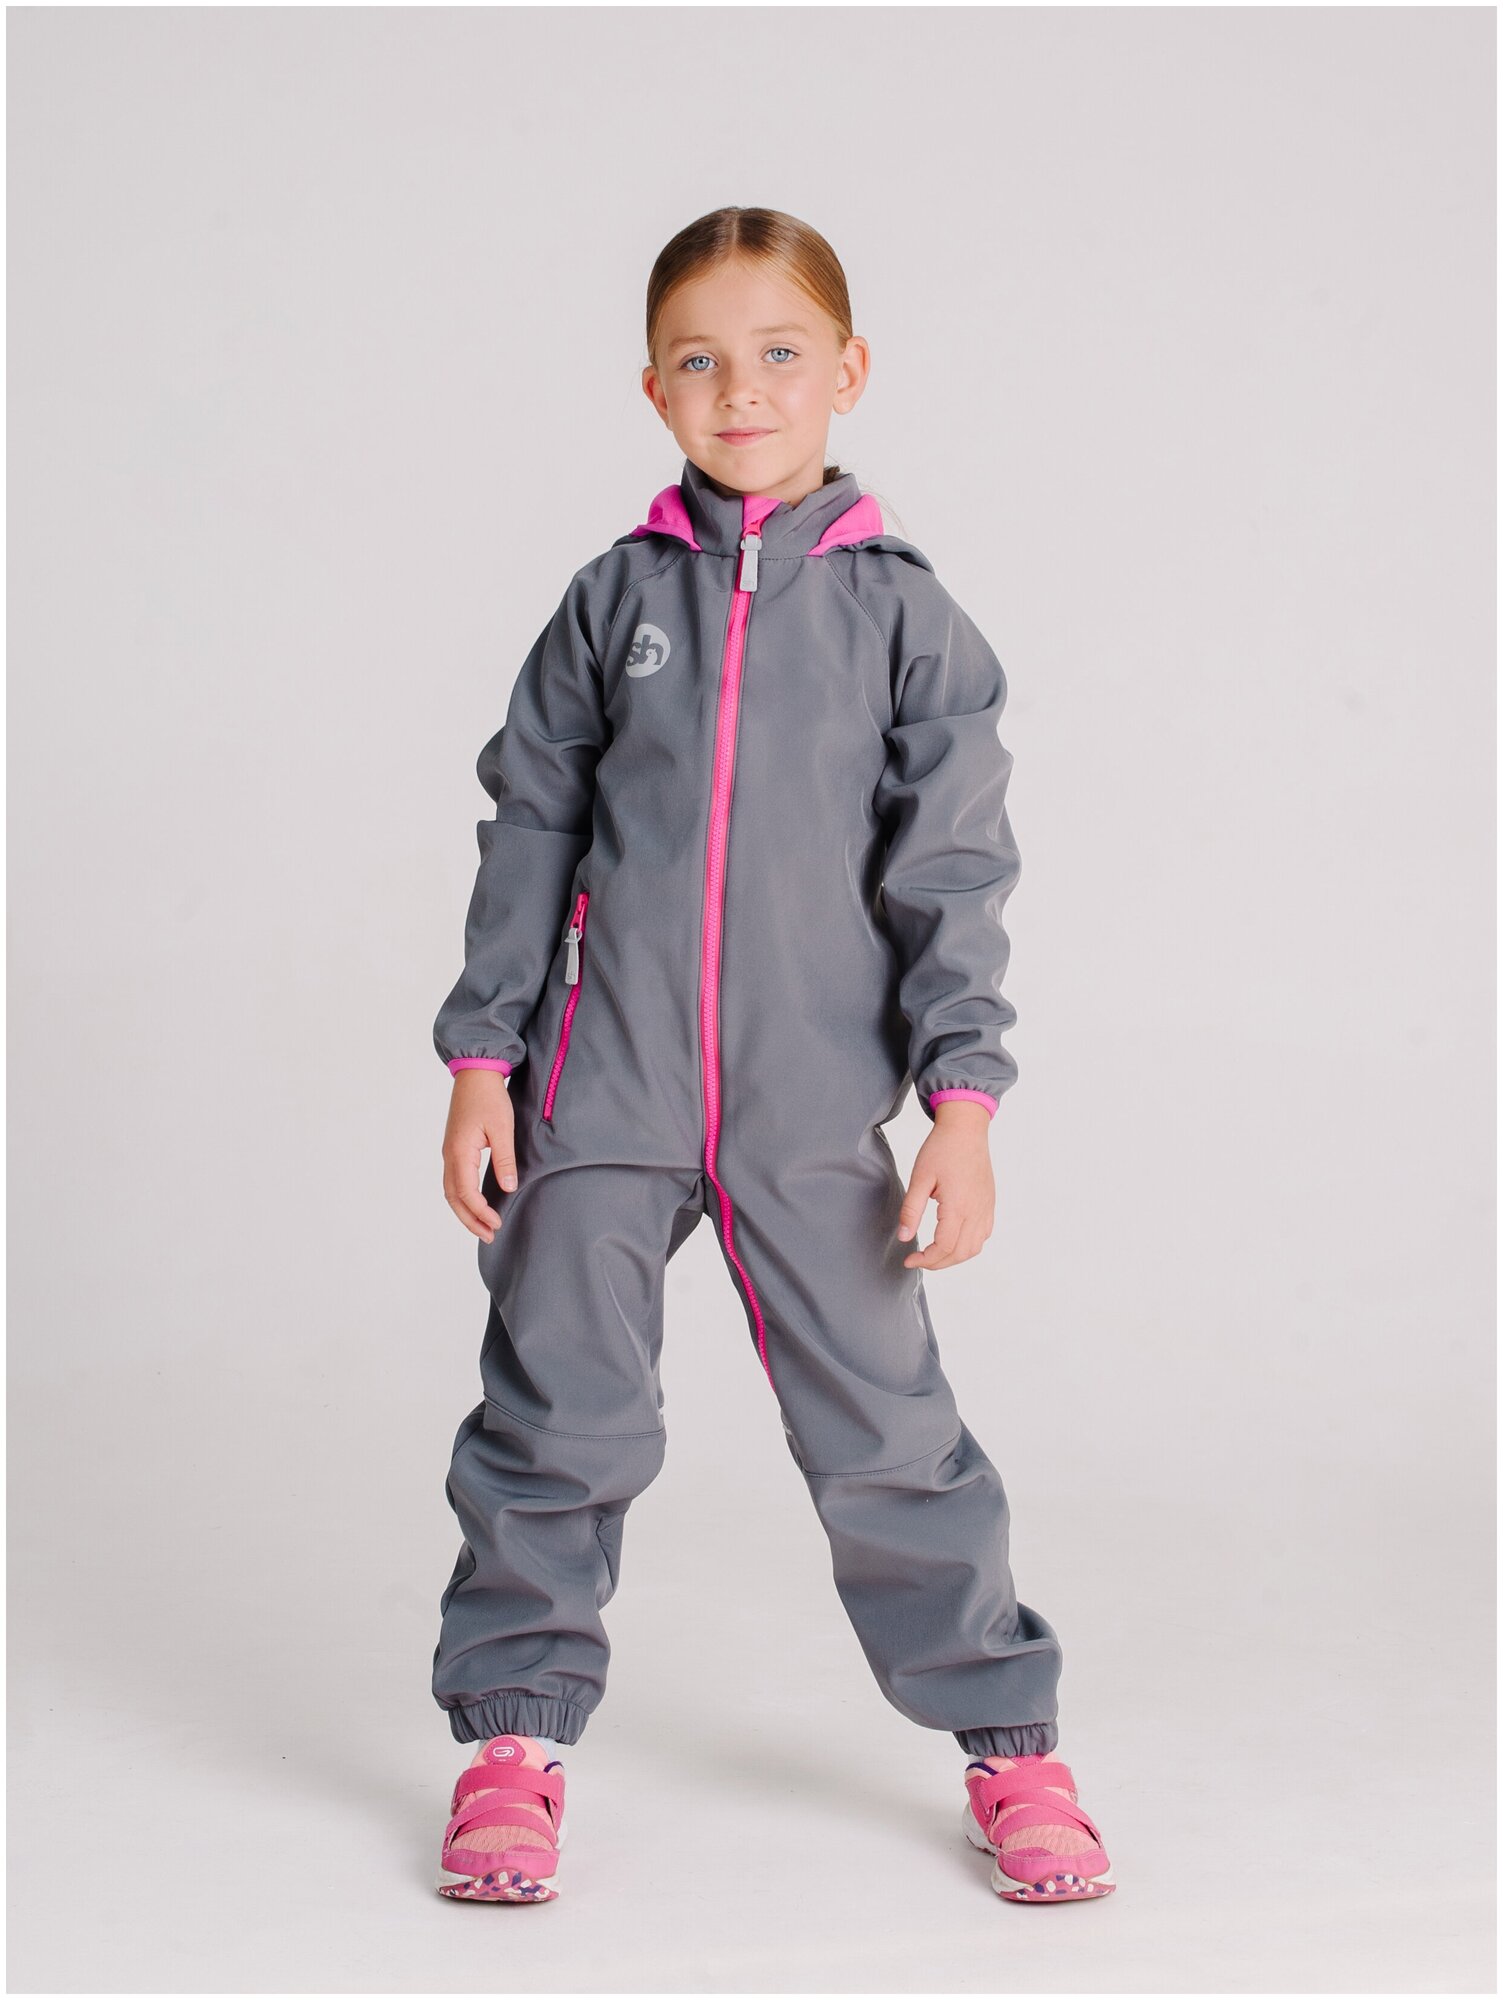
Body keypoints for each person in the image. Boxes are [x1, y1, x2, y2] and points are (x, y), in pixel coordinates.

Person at [427, 206, 1115, 1906]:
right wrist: (482, 1061)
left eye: (780, 353)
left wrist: (963, 1104)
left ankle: (1008, 1741)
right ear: (654, 389)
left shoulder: (909, 620)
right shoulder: (612, 601)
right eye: (702, 360)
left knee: (887, 1432)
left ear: (848, 371)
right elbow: (530, 830)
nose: (743, 389)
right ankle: (513, 1738)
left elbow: (951, 874)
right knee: (555, 1417)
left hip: (810, 1110)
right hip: (597, 1092)